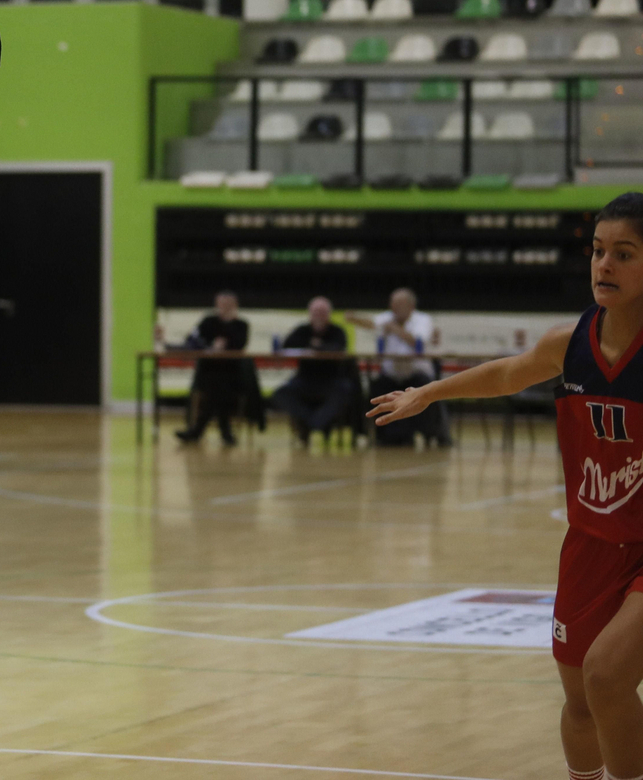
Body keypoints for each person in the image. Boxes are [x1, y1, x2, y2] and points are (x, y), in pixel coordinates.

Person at [369, 192, 643, 780]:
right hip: (591, 542)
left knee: (606, 676)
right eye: (598, 252)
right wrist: (429, 392)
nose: (605, 266)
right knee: (579, 702)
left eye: (624, 254)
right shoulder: (569, 344)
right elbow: (507, 374)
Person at [354, 287, 450, 447]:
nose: (394, 307)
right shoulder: (386, 317)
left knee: (425, 390)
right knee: (376, 390)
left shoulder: (422, 320)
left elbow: (416, 342)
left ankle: (432, 433)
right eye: (392, 303)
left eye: (398, 304)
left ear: (411, 306)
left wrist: (395, 329)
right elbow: (371, 324)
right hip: (391, 375)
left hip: (416, 373)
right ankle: (384, 434)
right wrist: (354, 317)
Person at [273, 296, 355, 444]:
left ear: (329, 314)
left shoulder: (337, 331)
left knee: (345, 390)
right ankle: (315, 423)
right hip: (305, 380)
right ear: (310, 314)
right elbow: (287, 345)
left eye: (322, 312)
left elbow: (339, 349)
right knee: (281, 393)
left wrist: (317, 346)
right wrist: (311, 344)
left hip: (330, 381)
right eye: (316, 312)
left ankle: (311, 425)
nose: (319, 316)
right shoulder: (302, 330)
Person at [175, 291, 251, 447]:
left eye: (228, 305)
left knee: (219, 387)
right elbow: (193, 340)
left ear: (235, 306)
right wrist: (212, 346)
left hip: (232, 372)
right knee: (217, 387)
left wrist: (225, 341)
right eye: (221, 304)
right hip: (208, 372)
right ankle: (225, 432)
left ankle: (197, 431)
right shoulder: (208, 321)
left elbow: (239, 344)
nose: (224, 308)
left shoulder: (241, 324)